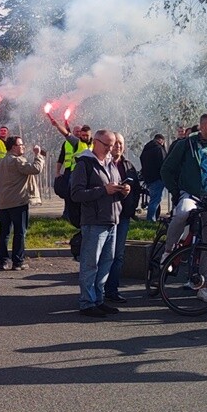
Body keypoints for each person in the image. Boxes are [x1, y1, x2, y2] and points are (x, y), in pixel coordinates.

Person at [160, 113, 207, 303]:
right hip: (190, 194)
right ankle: (168, 250)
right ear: (201, 126)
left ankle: (204, 287)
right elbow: (167, 169)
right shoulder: (185, 145)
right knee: (182, 213)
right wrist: (176, 192)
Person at [70, 129, 128, 317]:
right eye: (107, 145)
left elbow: (113, 188)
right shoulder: (84, 164)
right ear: (95, 142)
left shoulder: (111, 163)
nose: (111, 149)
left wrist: (122, 190)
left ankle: (99, 299)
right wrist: (103, 190)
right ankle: (87, 302)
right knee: (91, 264)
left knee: (105, 263)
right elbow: (76, 194)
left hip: (112, 220)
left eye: (112, 145)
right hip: (94, 222)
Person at [0, 136, 45, 270]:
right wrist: (38, 155)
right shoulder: (17, 161)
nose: (23, 147)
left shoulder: (0, 162)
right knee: (20, 232)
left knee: (4, 232)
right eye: (20, 144)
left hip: (3, 202)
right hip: (18, 201)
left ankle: (3, 261)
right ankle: (18, 261)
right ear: (13, 147)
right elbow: (35, 169)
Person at [105, 133, 142, 303]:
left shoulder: (128, 166)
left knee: (118, 255)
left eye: (121, 143)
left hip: (123, 215)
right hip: (105, 215)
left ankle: (112, 289)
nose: (118, 146)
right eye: (115, 143)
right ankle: (99, 290)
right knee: (105, 255)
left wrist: (129, 195)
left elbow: (137, 189)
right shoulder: (103, 164)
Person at [139, 133, 167, 220]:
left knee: (153, 198)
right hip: (157, 178)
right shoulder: (158, 149)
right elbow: (163, 163)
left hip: (148, 178)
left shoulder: (146, 149)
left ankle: (151, 218)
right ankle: (150, 219)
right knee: (155, 200)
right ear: (161, 140)